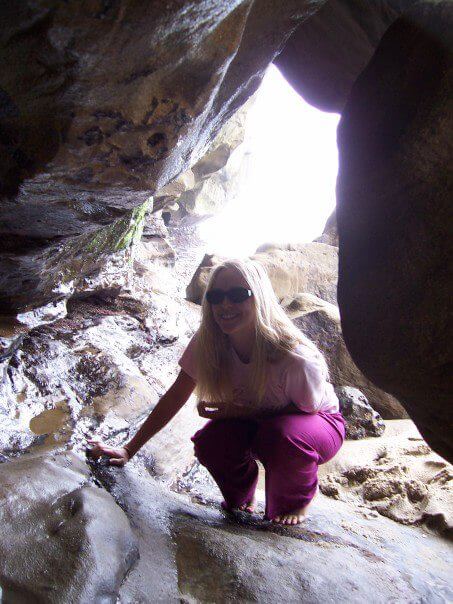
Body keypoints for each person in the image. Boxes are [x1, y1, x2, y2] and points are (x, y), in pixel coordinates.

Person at [88, 258, 345, 525]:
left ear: (260, 299)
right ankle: (242, 498)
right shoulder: (209, 341)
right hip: (258, 422)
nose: (224, 305)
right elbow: (176, 395)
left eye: (237, 295)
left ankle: (294, 503)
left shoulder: (294, 357)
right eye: (216, 296)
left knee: (281, 435)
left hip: (316, 426)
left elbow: (305, 411)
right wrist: (129, 449)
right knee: (210, 442)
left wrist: (240, 411)